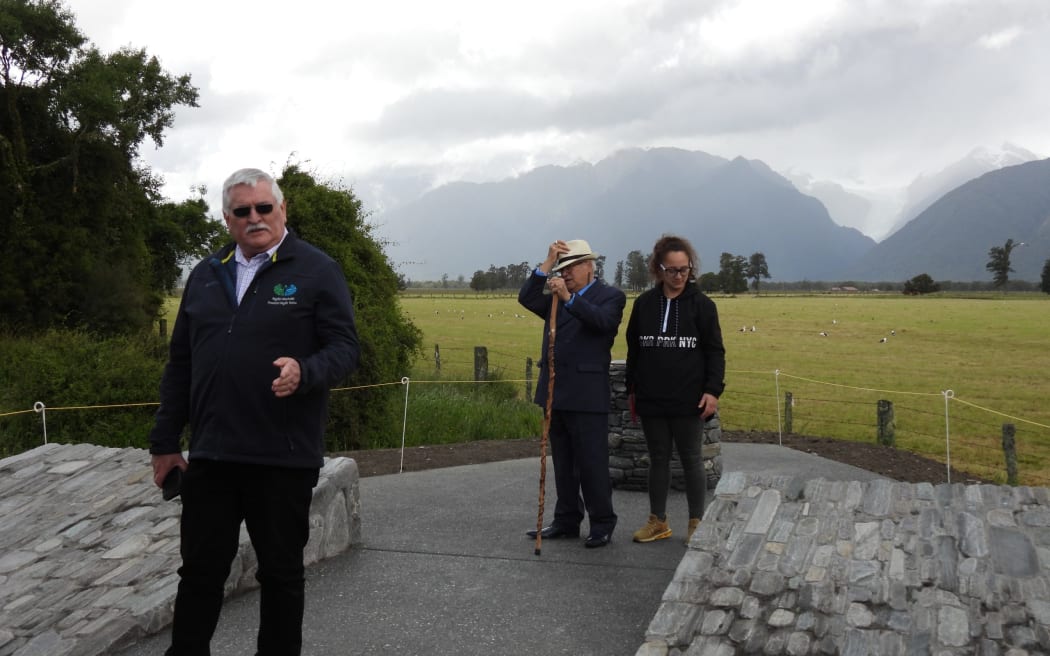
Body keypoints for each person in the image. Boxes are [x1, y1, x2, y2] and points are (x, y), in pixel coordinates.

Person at [148, 168, 360, 655]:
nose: (255, 218)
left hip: (281, 457)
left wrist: (305, 372)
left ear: (282, 210)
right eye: (242, 211)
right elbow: (180, 364)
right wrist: (164, 444)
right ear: (228, 218)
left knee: (282, 576)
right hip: (213, 456)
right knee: (199, 574)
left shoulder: (316, 269)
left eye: (264, 208)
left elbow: (346, 348)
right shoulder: (205, 274)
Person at [519, 239, 626, 548]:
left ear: (589, 266)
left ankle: (602, 523)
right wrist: (546, 263)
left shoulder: (611, 297)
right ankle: (566, 519)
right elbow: (526, 298)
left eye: (571, 267)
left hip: (588, 395)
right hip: (555, 393)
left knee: (592, 463)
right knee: (564, 464)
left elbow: (602, 324)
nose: (565, 274)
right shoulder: (553, 298)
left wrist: (569, 299)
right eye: (561, 268)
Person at [626, 235, 725, 545]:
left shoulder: (703, 306)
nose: (679, 276)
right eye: (672, 270)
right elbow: (634, 350)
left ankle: (697, 523)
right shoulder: (644, 305)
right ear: (659, 269)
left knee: (691, 459)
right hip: (652, 399)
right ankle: (658, 521)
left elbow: (715, 351)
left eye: (685, 269)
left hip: (689, 399)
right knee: (657, 459)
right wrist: (633, 390)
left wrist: (712, 391)